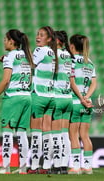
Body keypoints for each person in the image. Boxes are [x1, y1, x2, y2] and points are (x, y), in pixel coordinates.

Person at [0, 29, 34, 174]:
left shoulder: (10, 56)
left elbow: (6, 80)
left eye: (5, 39)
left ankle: (5, 167)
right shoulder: (28, 56)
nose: (4, 41)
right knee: (21, 132)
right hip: (27, 96)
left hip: (13, 97)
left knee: (7, 130)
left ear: (11, 41)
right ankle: (22, 168)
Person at [28, 26, 58, 174]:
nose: (37, 37)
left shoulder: (39, 50)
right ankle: (46, 165)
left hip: (38, 95)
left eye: (41, 35)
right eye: (37, 34)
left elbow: (30, 64)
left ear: (49, 39)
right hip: (50, 96)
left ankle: (34, 166)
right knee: (47, 132)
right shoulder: (52, 52)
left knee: (36, 132)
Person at [68, 34, 97, 175]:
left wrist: (80, 98)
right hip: (88, 104)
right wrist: (87, 97)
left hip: (75, 102)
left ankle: (75, 166)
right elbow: (94, 83)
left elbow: (72, 81)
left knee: (73, 135)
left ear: (72, 46)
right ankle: (88, 166)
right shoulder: (90, 62)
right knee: (85, 136)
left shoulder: (72, 61)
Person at [51, 30, 73, 174]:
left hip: (57, 97)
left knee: (55, 133)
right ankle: (64, 165)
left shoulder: (54, 55)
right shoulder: (68, 56)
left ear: (58, 41)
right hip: (68, 98)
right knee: (65, 134)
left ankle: (57, 164)